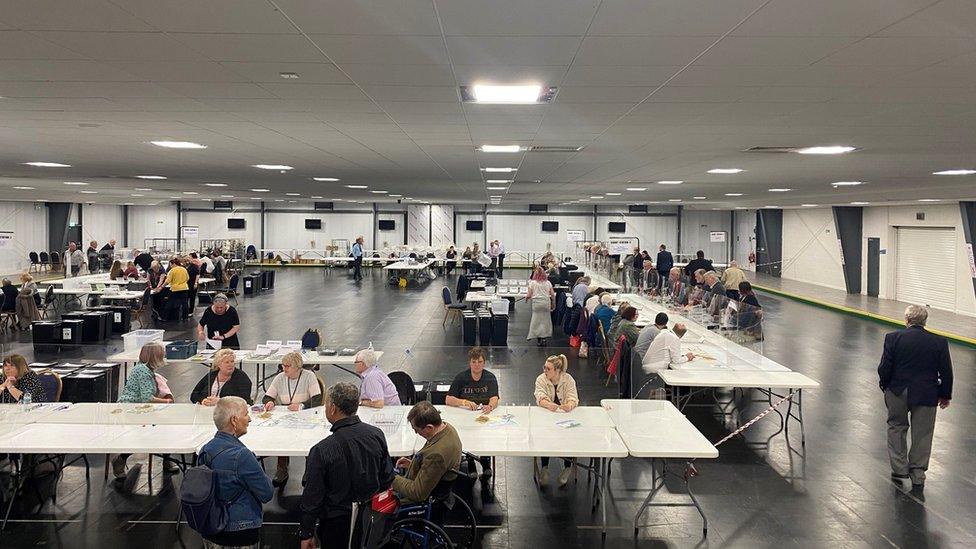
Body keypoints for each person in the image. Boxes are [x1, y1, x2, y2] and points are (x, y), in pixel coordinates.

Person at [298, 382, 395, 549]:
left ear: (333, 408)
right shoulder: (376, 435)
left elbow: (312, 497)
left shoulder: (322, 450)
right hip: (371, 518)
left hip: (336, 525)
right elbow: (387, 477)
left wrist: (306, 532)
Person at [878, 305, 953, 489]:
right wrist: (945, 395)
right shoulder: (939, 342)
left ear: (907, 320)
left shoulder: (893, 338)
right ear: (925, 321)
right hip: (927, 393)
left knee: (896, 427)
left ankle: (899, 470)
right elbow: (946, 372)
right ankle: (918, 474)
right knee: (923, 433)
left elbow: (884, 367)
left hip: (898, 390)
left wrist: (885, 385)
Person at [197, 396, 274, 549]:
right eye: (246, 414)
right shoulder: (242, 456)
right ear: (234, 420)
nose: (249, 419)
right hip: (239, 532)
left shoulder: (206, 450)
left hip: (210, 528)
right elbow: (267, 493)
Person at [113, 343, 175, 478]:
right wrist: (167, 401)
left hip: (141, 408)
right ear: (155, 356)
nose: (164, 356)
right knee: (155, 429)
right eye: (161, 354)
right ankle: (121, 459)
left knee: (167, 425)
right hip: (130, 409)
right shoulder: (142, 370)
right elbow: (147, 398)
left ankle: (167, 458)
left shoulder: (147, 370)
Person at [263, 351, 323, 487]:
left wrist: (301, 406)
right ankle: (282, 469)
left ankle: (309, 470)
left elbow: (317, 399)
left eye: (288, 366)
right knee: (281, 437)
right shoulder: (280, 377)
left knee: (309, 439)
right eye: (283, 365)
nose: (284, 369)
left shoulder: (309, 376)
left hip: (306, 413)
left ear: (298, 367)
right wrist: (270, 402)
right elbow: (267, 396)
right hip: (286, 414)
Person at [446, 347, 498, 487]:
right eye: (474, 362)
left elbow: (494, 398)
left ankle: (486, 463)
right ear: (470, 363)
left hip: (483, 417)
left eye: (479, 362)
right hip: (464, 417)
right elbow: (448, 399)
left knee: (485, 436)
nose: (477, 365)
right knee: (466, 437)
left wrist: (490, 406)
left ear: (484, 363)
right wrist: (463, 402)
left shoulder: (490, 377)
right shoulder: (461, 378)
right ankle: (470, 462)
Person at [393, 401, 463, 504]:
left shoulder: (436, 455)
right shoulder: (447, 428)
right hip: (437, 482)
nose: (416, 433)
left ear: (429, 427)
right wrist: (413, 464)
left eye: (417, 430)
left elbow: (418, 493)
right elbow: (434, 468)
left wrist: (391, 478)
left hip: (428, 497)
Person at [533, 354, 579, 486]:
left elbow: (573, 396)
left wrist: (569, 405)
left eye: (548, 369)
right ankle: (544, 468)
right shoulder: (541, 379)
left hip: (566, 419)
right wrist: (548, 404)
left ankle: (567, 468)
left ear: (557, 370)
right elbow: (539, 395)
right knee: (544, 436)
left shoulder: (568, 379)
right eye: (544, 367)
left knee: (569, 438)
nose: (545, 371)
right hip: (546, 419)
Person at [525, 266, 554, 346]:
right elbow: (552, 294)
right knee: (545, 320)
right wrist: (553, 304)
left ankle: (537, 337)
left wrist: (526, 299)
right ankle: (544, 338)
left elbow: (529, 295)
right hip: (546, 302)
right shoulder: (548, 283)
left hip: (536, 303)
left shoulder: (532, 283)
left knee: (536, 320)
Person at [163, 256, 190, 321]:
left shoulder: (172, 270)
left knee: (171, 303)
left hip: (175, 289)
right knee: (185, 304)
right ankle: (185, 317)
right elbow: (187, 278)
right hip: (184, 288)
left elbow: (167, 281)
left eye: (170, 265)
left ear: (174, 264)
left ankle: (166, 317)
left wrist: (162, 287)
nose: (170, 266)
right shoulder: (184, 269)